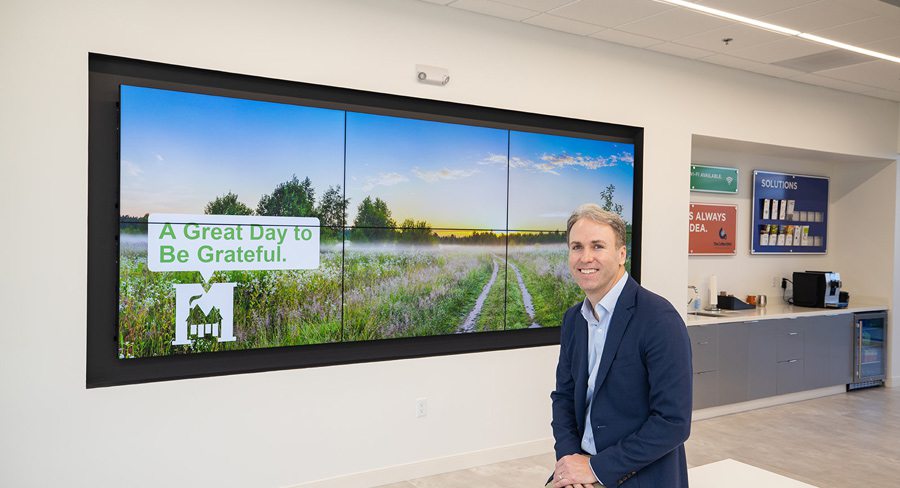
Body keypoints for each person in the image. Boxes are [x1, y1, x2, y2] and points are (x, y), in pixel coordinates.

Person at [548, 204, 692, 488]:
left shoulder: (659, 319)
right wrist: (570, 461)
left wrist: (596, 469)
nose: (585, 257)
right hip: (581, 466)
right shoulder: (574, 319)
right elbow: (563, 397)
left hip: (637, 473)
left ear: (621, 254)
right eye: (576, 247)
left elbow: (673, 422)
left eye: (598, 246)